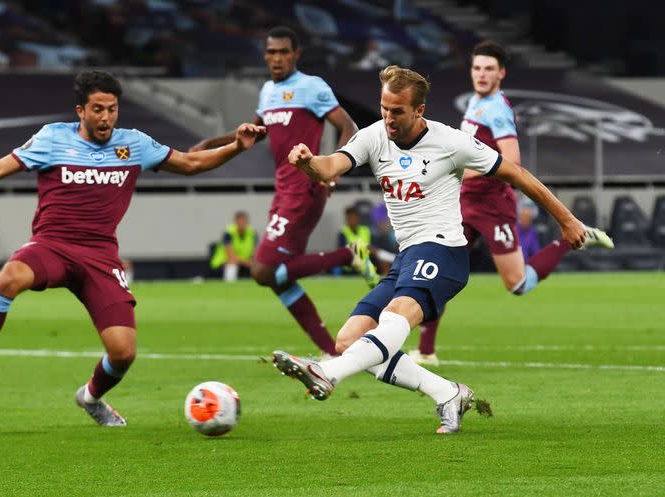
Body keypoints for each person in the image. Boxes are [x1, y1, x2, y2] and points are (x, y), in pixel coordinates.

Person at [0, 70, 265, 426]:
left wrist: (235, 147)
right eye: (97, 109)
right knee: (9, 278)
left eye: (111, 109)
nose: (105, 117)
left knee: (123, 354)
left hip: (100, 257)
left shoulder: (134, 144)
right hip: (53, 246)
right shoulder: (52, 139)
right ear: (80, 110)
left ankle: (90, 397)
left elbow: (190, 163)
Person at [272, 65, 592, 434]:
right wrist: (308, 162)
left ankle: (326, 373)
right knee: (349, 340)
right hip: (408, 257)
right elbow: (331, 165)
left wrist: (566, 220)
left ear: (419, 110)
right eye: (383, 108)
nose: (388, 118)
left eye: (397, 111)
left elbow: (517, 174)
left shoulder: (451, 142)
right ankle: (447, 393)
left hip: (444, 252)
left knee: (395, 316)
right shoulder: (374, 136)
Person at [410, 41, 613, 367]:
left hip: (493, 206)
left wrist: (460, 172)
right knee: (439, 270)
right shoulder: (476, 102)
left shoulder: (497, 109)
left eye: (489, 68)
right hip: (463, 204)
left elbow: (511, 160)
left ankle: (570, 238)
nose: (482, 74)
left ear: (501, 73)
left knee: (517, 284)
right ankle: (426, 351)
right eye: (477, 68)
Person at [190, 26, 377, 357]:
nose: (276, 58)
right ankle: (332, 356)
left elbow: (349, 127)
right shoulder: (267, 91)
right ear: (265, 55)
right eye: (271, 52)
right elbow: (257, 133)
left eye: (283, 52)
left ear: (296, 54)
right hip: (283, 190)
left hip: (304, 186)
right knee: (278, 278)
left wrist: (332, 170)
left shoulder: (311, 87)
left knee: (263, 270)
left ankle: (350, 254)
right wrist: (214, 143)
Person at [209, 210, 258, 282]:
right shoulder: (228, 233)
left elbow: (256, 253)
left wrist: (254, 263)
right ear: (235, 221)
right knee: (232, 262)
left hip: (244, 263)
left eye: (244, 221)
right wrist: (249, 263)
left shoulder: (252, 233)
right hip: (222, 263)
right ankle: (229, 285)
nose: (242, 223)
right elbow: (231, 256)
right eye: (240, 221)